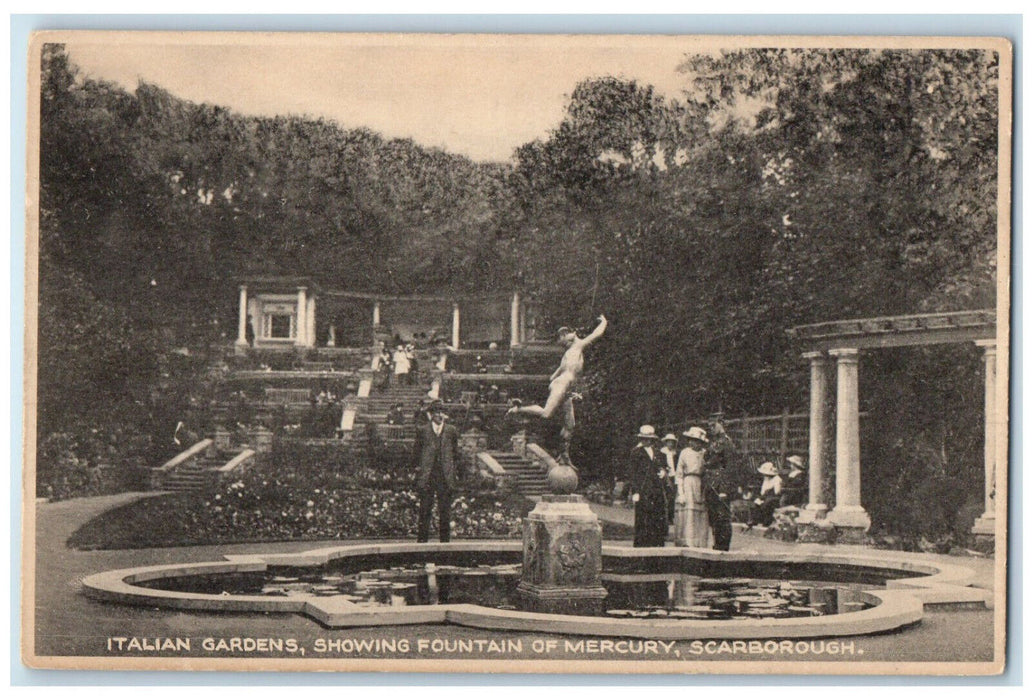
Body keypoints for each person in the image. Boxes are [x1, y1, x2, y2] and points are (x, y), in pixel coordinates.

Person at [507, 315, 607, 464]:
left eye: (565, 336)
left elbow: (553, 376)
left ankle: (564, 454)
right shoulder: (576, 347)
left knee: (570, 425)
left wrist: (562, 381)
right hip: (562, 385)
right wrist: (604, 321)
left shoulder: (569, 353)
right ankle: (519, 408)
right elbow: (596, 334)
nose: (564, 340)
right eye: (563, 337)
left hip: (565, 387)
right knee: (546, 413)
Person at [413, 403, 464, 543]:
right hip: (428, 476)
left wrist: (453, 472)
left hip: (444, 476)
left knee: (445, 512)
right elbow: (416, 453)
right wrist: (419, 471)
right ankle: (421, 545)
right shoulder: (423, 431)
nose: (440, 415)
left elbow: (455, 453)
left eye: (442, 412)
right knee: (425, 511)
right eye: (436, 412)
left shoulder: (451, 431)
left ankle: (445, 545)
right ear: (431, 414)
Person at [628, 425, 669, 547]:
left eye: (648, 439)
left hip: (656, 490)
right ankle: (641, 546)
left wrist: (663, 472)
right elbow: (632, 474)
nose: (645, 441)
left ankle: (657, 545)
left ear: (652, 439)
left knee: (657, 517)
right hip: (643, 489)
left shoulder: (659, 454)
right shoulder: (636, 453)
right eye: (643, 438)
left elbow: (664, 467)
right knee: (643, 518)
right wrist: (635, 491)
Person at [702, 418, 736, 551]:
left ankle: (723, 546)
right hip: (711, 484)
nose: (711, 428)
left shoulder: (727, 443)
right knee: (714, 517)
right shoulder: (714, 442)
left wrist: (724, 489)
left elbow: (730, 468)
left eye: (713, 425)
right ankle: (717, 544)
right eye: (709, 425)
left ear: (722, 425)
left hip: (720, 485)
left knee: (722, 517)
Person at [674, 427, 711, 547]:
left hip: (700, 483)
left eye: (695, 440)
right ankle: (687, 542)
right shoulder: (685, 452)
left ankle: (699, 542)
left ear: (701, 442)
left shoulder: (705, 453)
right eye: (690, 440)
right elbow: (679, 473)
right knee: (688, 512)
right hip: (688, 482)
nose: (692, 442)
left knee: (700, 513)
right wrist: (681, 493)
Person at [752, 461, 783, 527]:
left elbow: (777, 492)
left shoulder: (777, 479)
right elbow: (762, 492)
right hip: (765, 496)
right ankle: (755, 520)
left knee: (767, 503)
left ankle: (766, 522)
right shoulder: (766, 479)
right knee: (756, 502)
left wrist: (767, 493)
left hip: (774, 497)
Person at [659, 433, 680, 525]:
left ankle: (670, 517)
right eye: (669, 442)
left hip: (674, 475)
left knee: (672, 497)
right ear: (666, 443)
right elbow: (660, 464)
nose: (670, 444)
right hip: (664, 475)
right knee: (665, 496)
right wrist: (665, 469)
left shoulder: (676, 453)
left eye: (672, 442)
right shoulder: (662, 452)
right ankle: (663, 516)